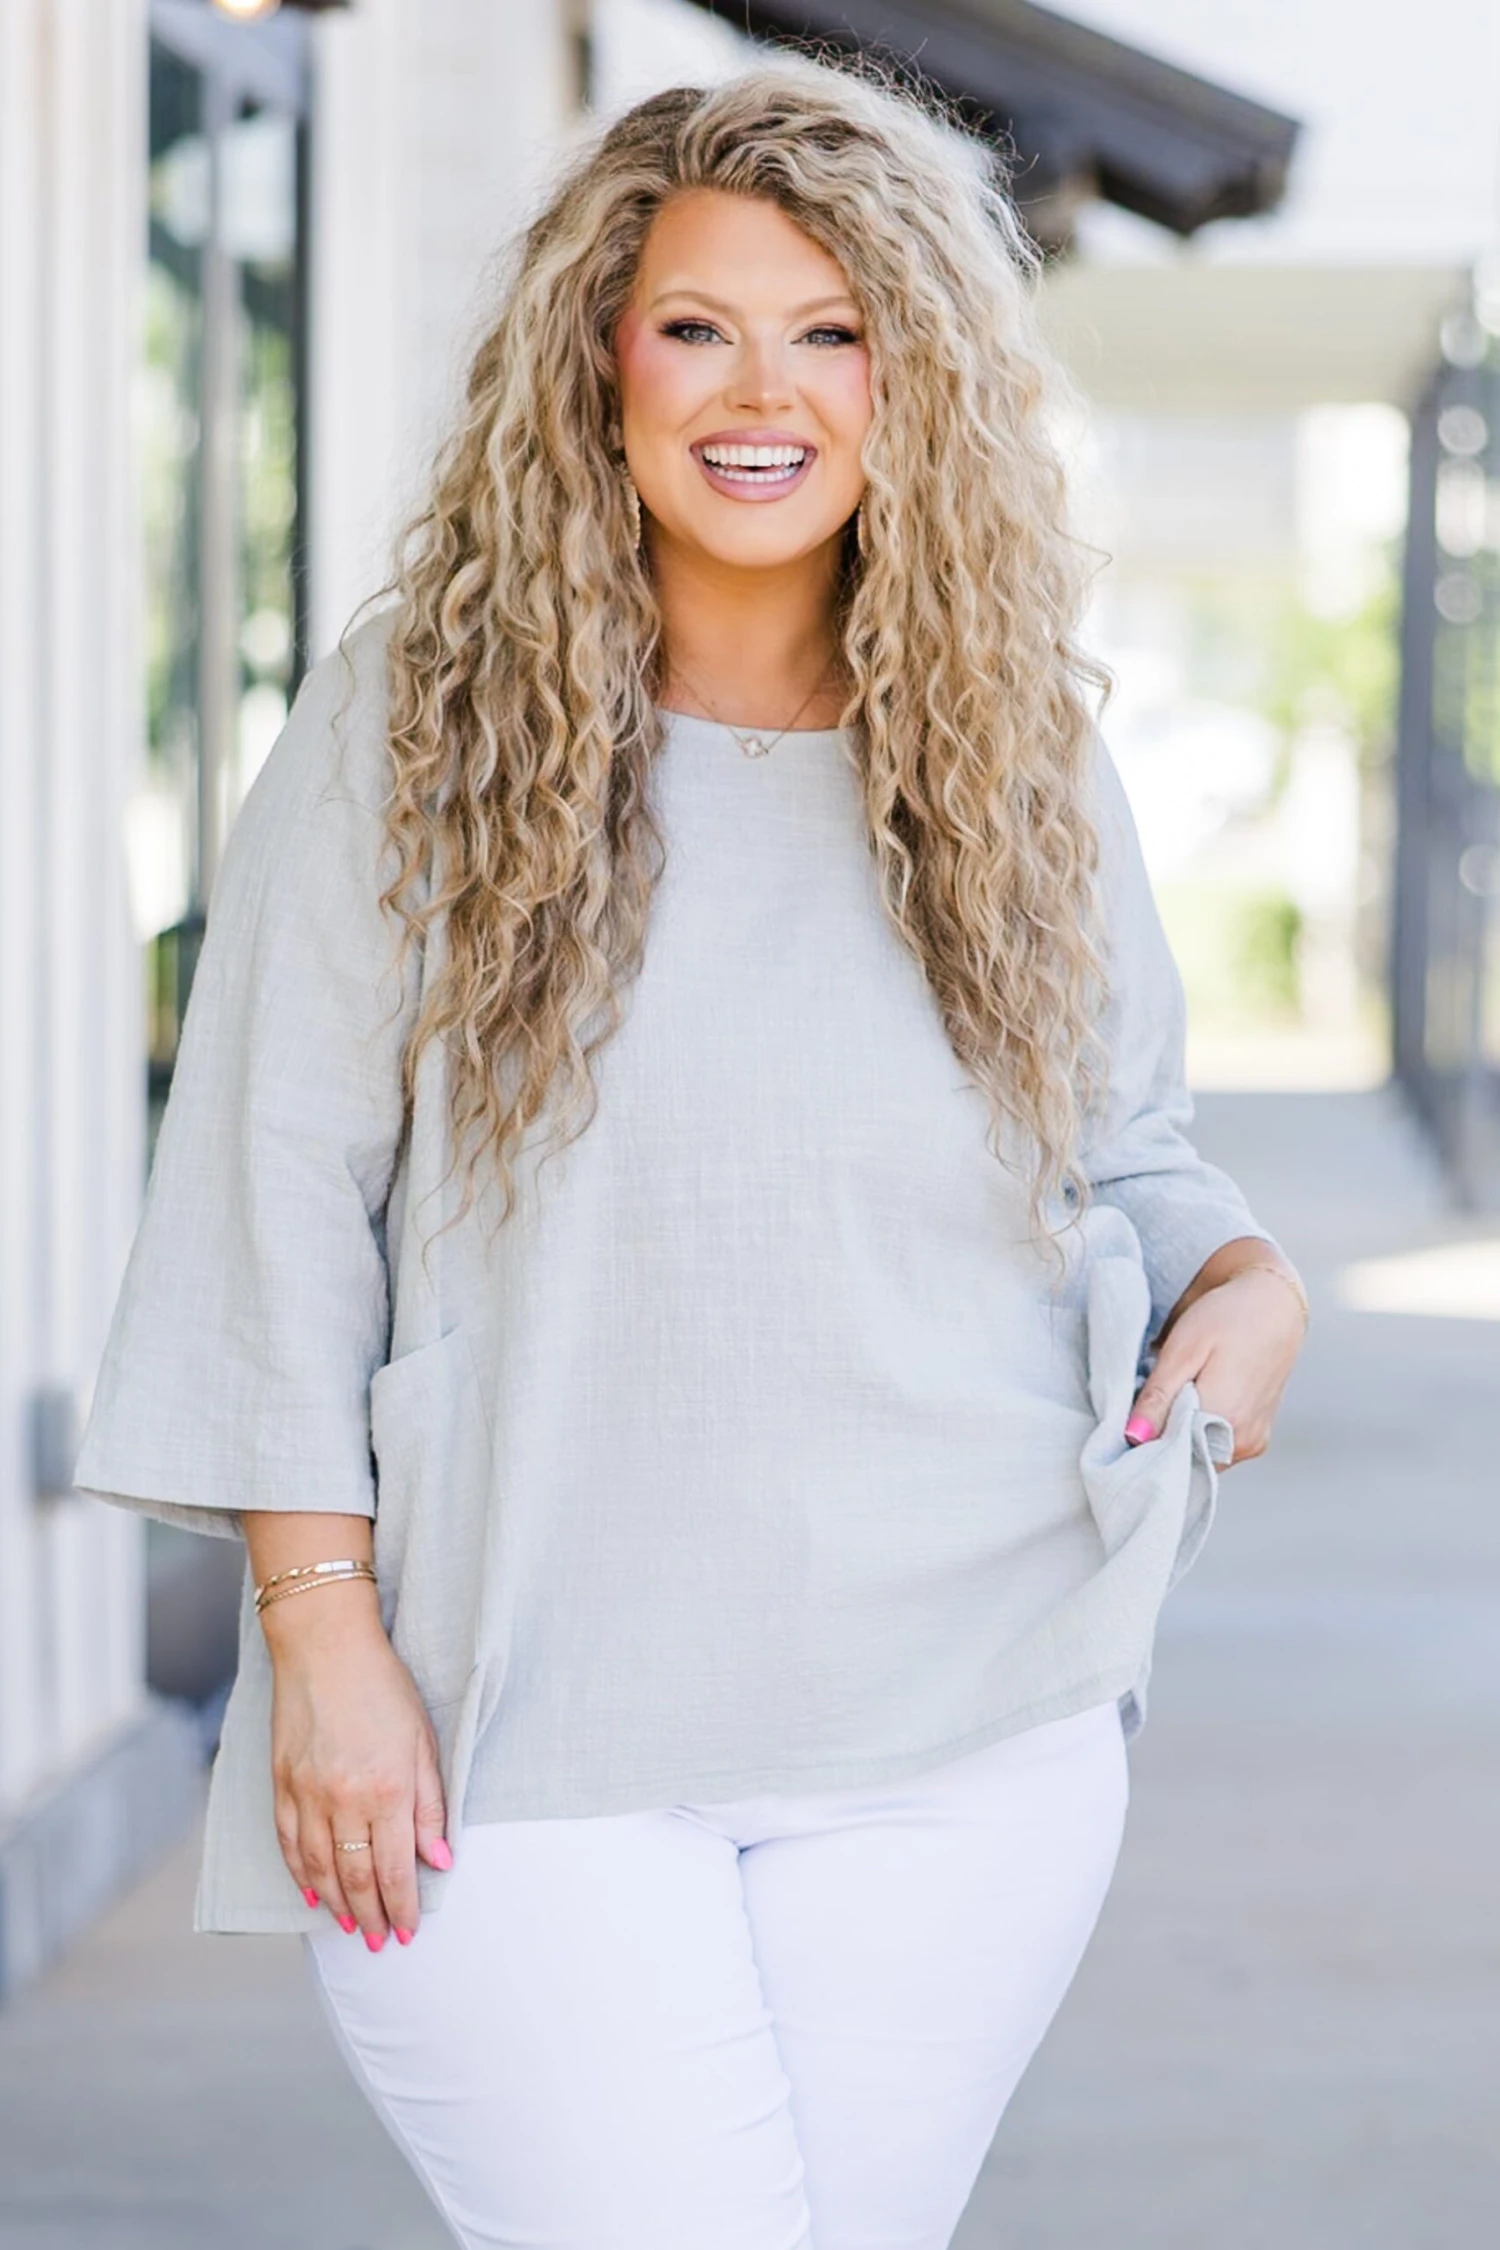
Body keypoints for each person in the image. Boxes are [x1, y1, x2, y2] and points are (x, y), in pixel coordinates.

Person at [75, 63, 1307, 2250]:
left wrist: (1246, 1281)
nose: (765, 391)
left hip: (968, 1718)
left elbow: (1123, 1149)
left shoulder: (1021, 749)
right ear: (601, 359)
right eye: (699, 327)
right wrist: (320, 1630)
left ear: (914, 384)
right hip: (507, 1712)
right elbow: (274, 1199)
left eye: (833, 332)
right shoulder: (413, 727)